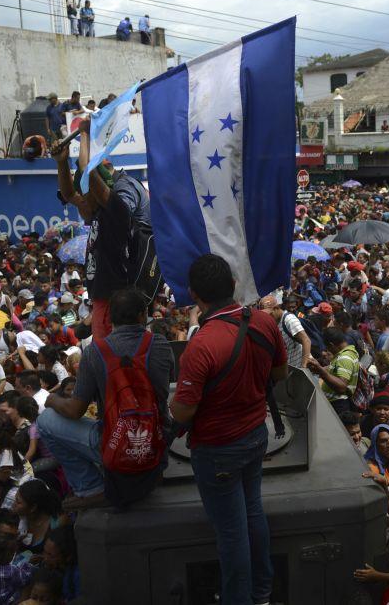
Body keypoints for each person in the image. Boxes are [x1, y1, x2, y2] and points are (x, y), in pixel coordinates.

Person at [169, 255, 288, 605]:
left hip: (218, 449)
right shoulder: (265, 323)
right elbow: (280, 375)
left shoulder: (201, 345)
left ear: (193, 294)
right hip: (256, 435)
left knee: (231, 533)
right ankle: (262, 592)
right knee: (253, 512)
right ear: (234, 285)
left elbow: (184, 409)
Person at [39, 286, 173, 510]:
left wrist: (50, 400)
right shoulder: (161, 346)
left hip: (114, 442)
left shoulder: (94, 352)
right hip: (157, 446)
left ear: (109, 318)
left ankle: (90, 488)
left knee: (45, 422)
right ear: (143, 315)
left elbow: (74, 410)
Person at [54, 116, 161, 340]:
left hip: (117, 301)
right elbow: (68, 194)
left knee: (113, 360)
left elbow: (86, 169)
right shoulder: (95, 211)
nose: (81, 200)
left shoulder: (117, 210)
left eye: (85, 194)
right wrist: (61, 161)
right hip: (103, 300)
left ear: (97, 190)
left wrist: (84, 134)